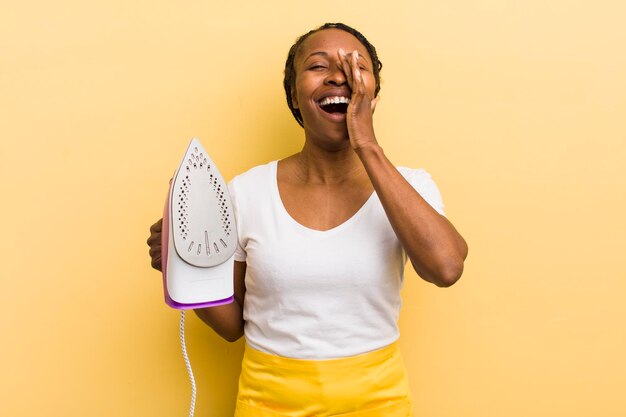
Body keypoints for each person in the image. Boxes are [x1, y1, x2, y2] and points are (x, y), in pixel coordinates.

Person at [147, 22, 468, 417]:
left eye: (355, 66)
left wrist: (366, 143)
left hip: (379, 404)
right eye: (318, 66)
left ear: (373, 96)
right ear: (295, 98)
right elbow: (231, 327)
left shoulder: (411, 185)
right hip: (268, 404)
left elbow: (446, 267)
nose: (338, 76)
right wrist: (182, 266)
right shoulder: (245, 193)